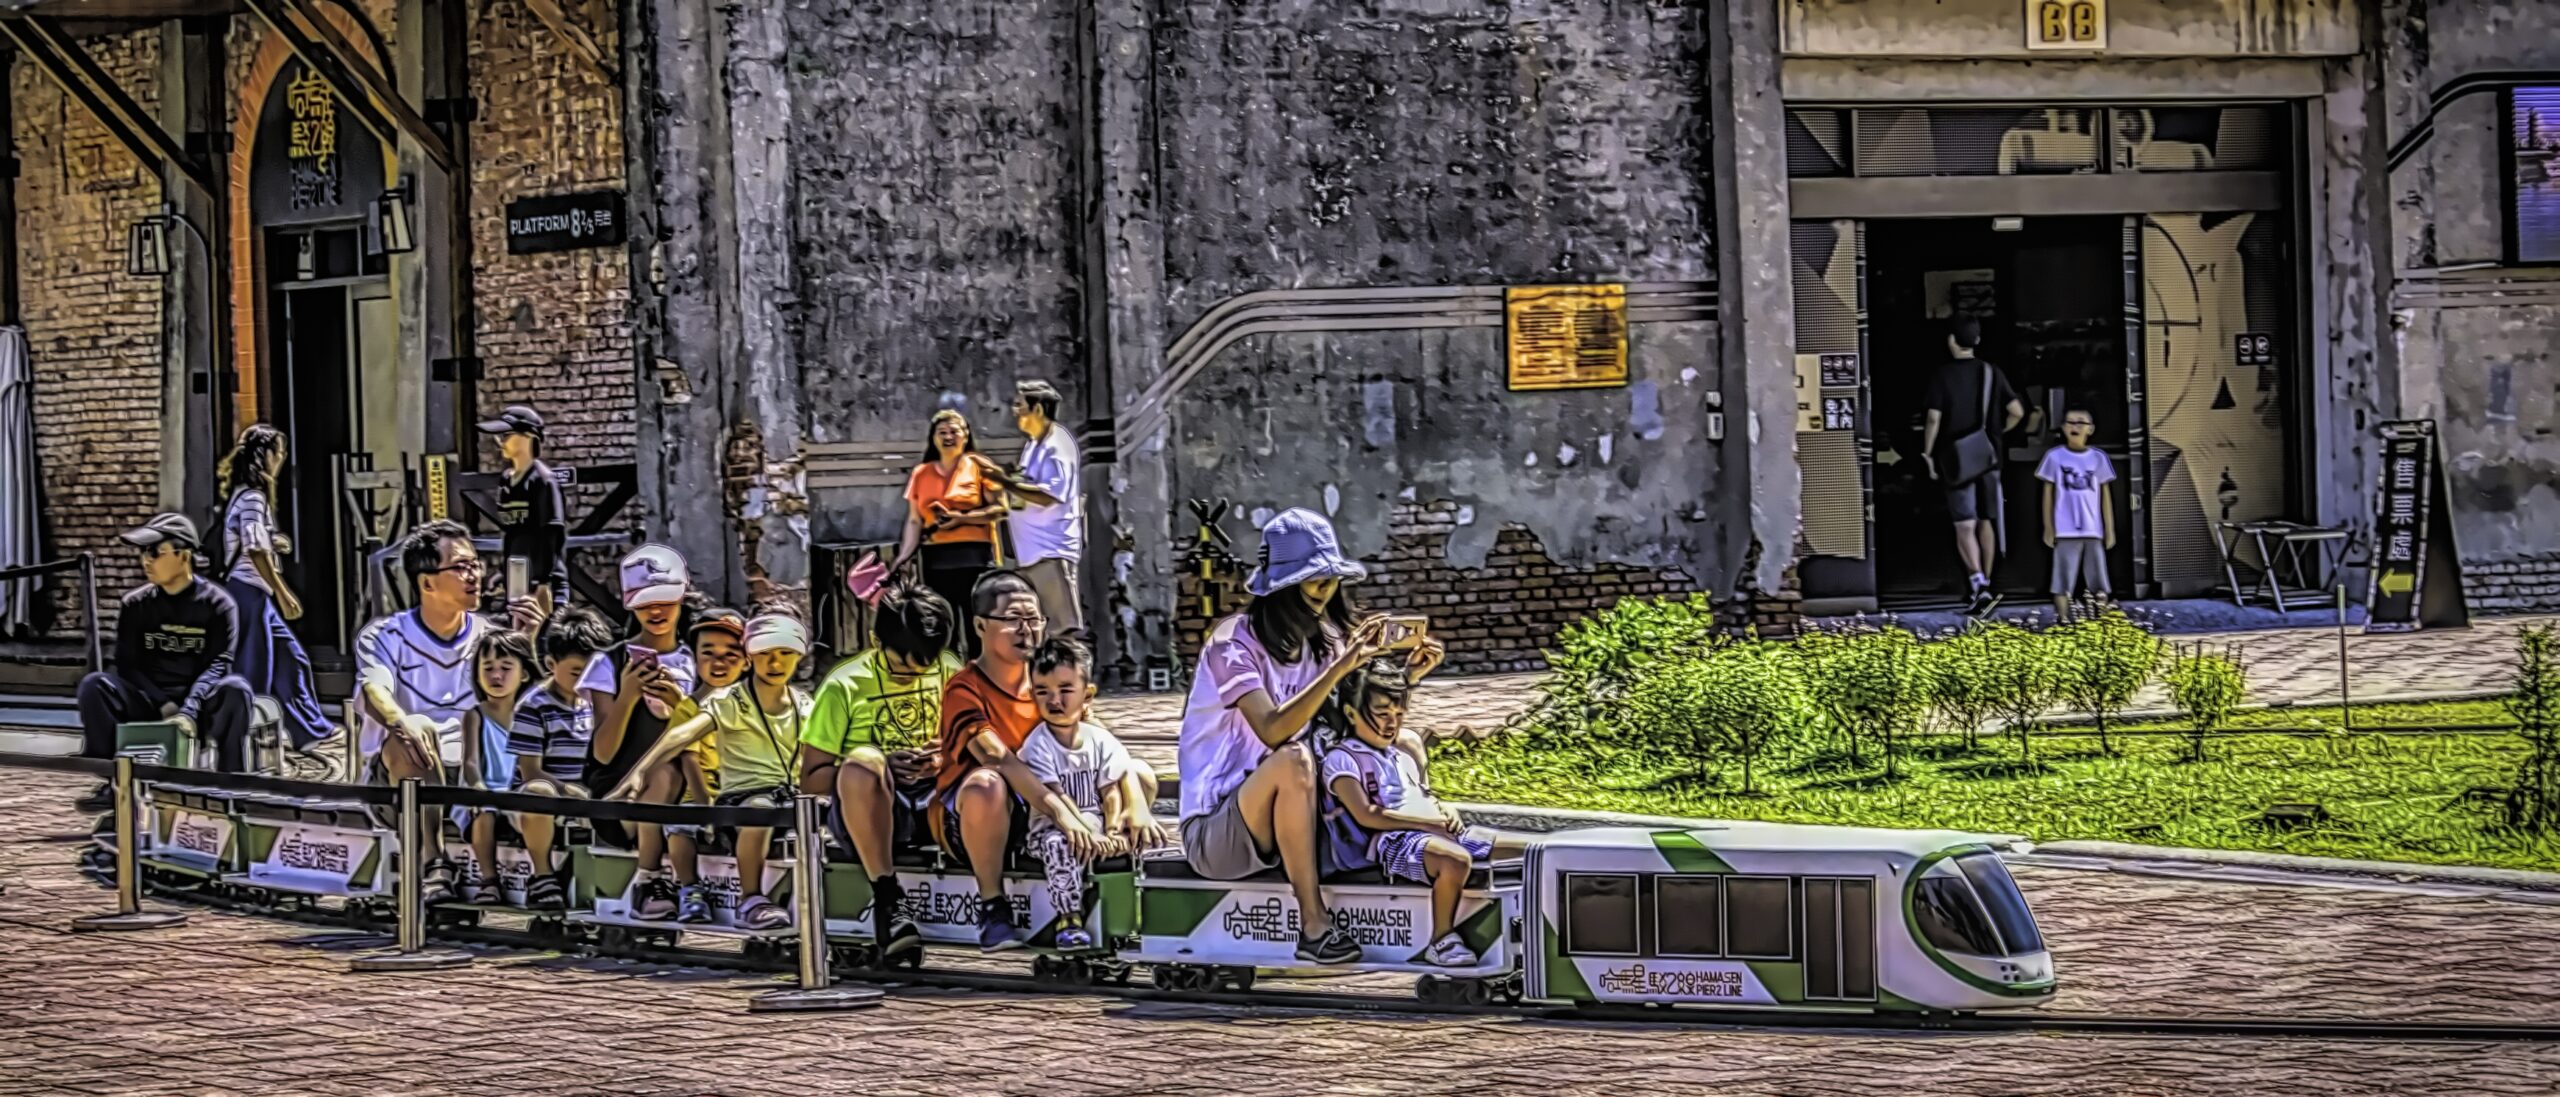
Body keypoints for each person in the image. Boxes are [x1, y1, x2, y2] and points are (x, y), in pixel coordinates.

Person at [1175, 508, 1442, 965]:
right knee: (1294, 760)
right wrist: (1341, 666)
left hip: (1296, 813)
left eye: (1331, 581)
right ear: (1283, 587)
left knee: (1406, 744)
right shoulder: (1232, 644)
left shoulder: (1326, 640)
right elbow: (1272, 730)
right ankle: (1313, 924)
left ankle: (1414, 853)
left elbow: (1353, 725)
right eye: (1314, 582)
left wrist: (1408, 679)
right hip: (1218, 831)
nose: (1325, 592)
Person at [930, 570, 1100, 953]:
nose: (1027, 630)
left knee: (1135, 773)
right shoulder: (964, 688)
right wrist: (1060, 810)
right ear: (980, 626)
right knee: (987, 783)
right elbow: (997, 757)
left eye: (1034, 619)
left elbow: (1093, 740)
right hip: (978, 816)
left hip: (1041, 805)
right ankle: (992, 905)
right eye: (1013, 619)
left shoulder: (1049, 683)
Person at [609, 613, 812, 930]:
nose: (775, 663)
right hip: (740, 798)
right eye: (765, 654)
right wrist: (640, 773)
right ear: (751, 658)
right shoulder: (728, 700)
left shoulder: (805, 704)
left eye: (785, 653)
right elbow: (681, 737)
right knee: (744, 812)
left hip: (789, 796)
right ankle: (749, 898)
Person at [798, 582, 963, 959]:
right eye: (901, 667)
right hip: (869, 810)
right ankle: (888, 898)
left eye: (924, 666)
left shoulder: (950, 669)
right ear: (876, 642)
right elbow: (811, 780)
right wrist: (883, 766)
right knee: (865, 761)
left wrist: (944, 757)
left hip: (935, 803)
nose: (913, 674)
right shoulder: (842, 686)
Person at [1318, 655, 1495, 968]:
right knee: (1455, 860)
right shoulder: (1342, 759)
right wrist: (1427, 822)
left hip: (1431, 830)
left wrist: (1445, 809)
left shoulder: (1398, 753)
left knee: (1529, 849)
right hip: (1393, 841)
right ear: (1351, 713)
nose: (1392, 723)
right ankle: (1441, 940)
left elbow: (1423, 795)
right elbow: (1367, 815)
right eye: (1382, 714)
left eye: (1398, 714)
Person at [73, 514, 251, 809]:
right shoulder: (135, 604)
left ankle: (231, 787)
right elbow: (128, 665)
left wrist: (189, 711)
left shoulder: (219, 604)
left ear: (184, 555)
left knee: (236, 689)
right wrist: (163, 703)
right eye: (143, 552)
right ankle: (114, 782)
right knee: (95, 686)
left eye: (155, 552)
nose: (146, 560)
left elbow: (218, 664)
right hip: (150, 702)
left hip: (201, 704)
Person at [579, 543, 702, 922]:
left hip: (695, 786)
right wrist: (628, 696)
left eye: (665, 600)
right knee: (664, 773)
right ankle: (648, 878)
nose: (657, 611)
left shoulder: (700, 660)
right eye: (646, 603)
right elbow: (602, 753)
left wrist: (680, 704)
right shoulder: (608, 663)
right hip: (622, 795)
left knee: (673, 771)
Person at [1021, 637, 1167, 951]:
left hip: (1096, 822)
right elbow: (1057, 796)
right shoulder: (1038, 745)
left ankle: (1132, 911)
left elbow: (1110, 789)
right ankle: (1068, 917)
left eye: (1065, 690)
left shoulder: (1100, 739)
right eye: (1043, 691)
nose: (1054, 700)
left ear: (1086, 694)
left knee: (1133, 835)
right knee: (1059, 845)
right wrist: (1086, 832)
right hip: (1055, 826)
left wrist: (1112, 831)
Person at [211, 424, 329, 750]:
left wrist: (274, 541)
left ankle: (310, 731)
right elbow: (254, 549)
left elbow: (255, 540)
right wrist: (282, 591)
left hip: (253, 592)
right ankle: (243, 738)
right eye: (279, 452)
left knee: (291, 658)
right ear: (265, 456)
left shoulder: (244, 496)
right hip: (248, 592)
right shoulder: (252, 496)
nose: (282, 459)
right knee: (254, 669)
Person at [354, 520, 492, 789]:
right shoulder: (384, 635)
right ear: (427, 583)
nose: (474, 575)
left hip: (475, 761)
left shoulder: (491, 636)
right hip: (409, 762)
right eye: (461, 567)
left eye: (475, 565)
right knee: (413, 736)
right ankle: (425, 818)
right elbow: (374, 691)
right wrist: (401, 722)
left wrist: (530, 639)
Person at [507, 605, 614, 910]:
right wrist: (569, 791)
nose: (585, 682)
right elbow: (530, 771)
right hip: (539, 798)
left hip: (585, 796)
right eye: (577, 673)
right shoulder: (534, 705)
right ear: (551, 664)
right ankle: (542, 874)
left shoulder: (596, 704)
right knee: (538, 793)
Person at [1920, 316, 2026, 615]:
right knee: (1986, 520)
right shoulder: (1992, 372)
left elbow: (1933, 418)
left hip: (1957, 460)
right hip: (1989, 458)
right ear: (1977, 341)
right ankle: (1988, 584)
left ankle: (1977, 583)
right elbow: (2017, 411)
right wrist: (1997, 434)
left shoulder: (1943, 376)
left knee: (1964, 523)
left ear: (1951, 340)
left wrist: (1928, 453)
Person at [887, 409, 1007, 656]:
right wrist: (903, 556)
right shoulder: (921, 473)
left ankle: (980, 672)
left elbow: (1000, 509)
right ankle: (949, 673)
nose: (948, 437)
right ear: (933, 438)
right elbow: (914, 521)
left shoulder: (980, 466)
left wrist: (961, 519)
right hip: (937, 559)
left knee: (977, 624)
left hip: (975, 556)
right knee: (943, 622)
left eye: (954, 431)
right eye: (942, 432)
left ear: (966, 435)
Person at [453, 629, 535, 906]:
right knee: (484, 812)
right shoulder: (475, 715)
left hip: (515, 793)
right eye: (488, 668)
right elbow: (470, 762)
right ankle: (489, 879)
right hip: (483, 792)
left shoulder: (531, 715)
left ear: (524, 673)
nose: (496, 676)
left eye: (505, 668)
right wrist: (479, 789)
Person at [999, 380, 1084, 640]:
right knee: (1040, 634)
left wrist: (1006, 483)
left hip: (1051, 553)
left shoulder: (1057, 444)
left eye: (1019, 405)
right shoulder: (1034, 444)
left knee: (1062, 632)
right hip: (1032, 555)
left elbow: (1049, 495)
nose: (1014, 411)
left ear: (1037, 409)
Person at [2038, 408, 2118, 621]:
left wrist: (2109, 529)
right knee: (2062, 579)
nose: (2075, 427)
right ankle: (2063, 620)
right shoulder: (2054, 457)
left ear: (2090, 429)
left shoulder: (2098, 458)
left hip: (2093, 528)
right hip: (2065, 528)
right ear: (2063, 428)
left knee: (2099, 580)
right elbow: (2048, 494)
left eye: (2080, 423)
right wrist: (2049, 527)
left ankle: (2100, 621)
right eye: (2070, 422)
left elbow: (2105, 496)